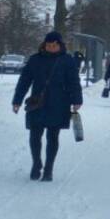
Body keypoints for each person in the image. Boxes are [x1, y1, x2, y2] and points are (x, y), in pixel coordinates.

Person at [11, 31, 82, 182]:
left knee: (53, 136)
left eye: (54, 45)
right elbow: (24, 81)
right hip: (37, 103)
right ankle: (36, 163)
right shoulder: (35, 60)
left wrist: (77, 100)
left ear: (60, 45)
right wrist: (17, 100)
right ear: (44, 45)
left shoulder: (67, 61)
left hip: (59, 103)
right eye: (48, 45)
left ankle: (49, 168)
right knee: (34, 135)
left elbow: (74, 82)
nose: (50, 47)